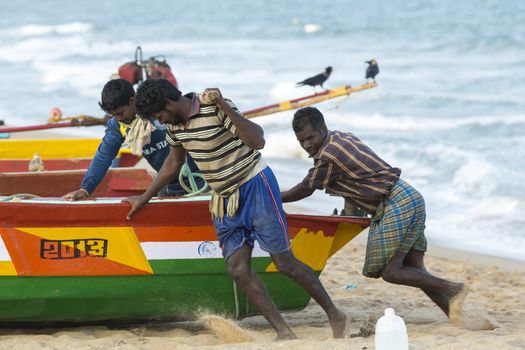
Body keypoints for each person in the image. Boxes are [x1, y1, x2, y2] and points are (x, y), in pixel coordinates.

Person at [125, 79, 348, 339]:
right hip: (223, 197)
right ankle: (284, 332)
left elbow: (258, 141)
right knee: (238, 270)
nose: (160, 121)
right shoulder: (175, 127)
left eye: (159, 114)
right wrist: (144, 198)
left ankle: (334, 313)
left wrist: (223, 106)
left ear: (168, 103)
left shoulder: (214, 107)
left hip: (255, 183)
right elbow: (173, 164)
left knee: (283, 261)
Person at [280, 107, 469, 325]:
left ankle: (454, 288)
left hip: (396, 203)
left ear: (323, 128)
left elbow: (305, 189)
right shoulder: (341, 137)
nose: (306, 145)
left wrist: (273, 197)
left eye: (310, 137)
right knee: (415, 270)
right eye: (301, 141)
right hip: (410, 195)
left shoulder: (327, 156)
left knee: (391, 272)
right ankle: (457, 317)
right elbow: (355, 180)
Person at [63, 79, 204, 201]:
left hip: (201, 178)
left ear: (132, 101)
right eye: (113, 115)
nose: (118, 119)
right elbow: (103, 157)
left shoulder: (157, 109)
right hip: (168, 185)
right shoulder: (119, 126)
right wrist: (85, 189)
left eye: (120, 113)